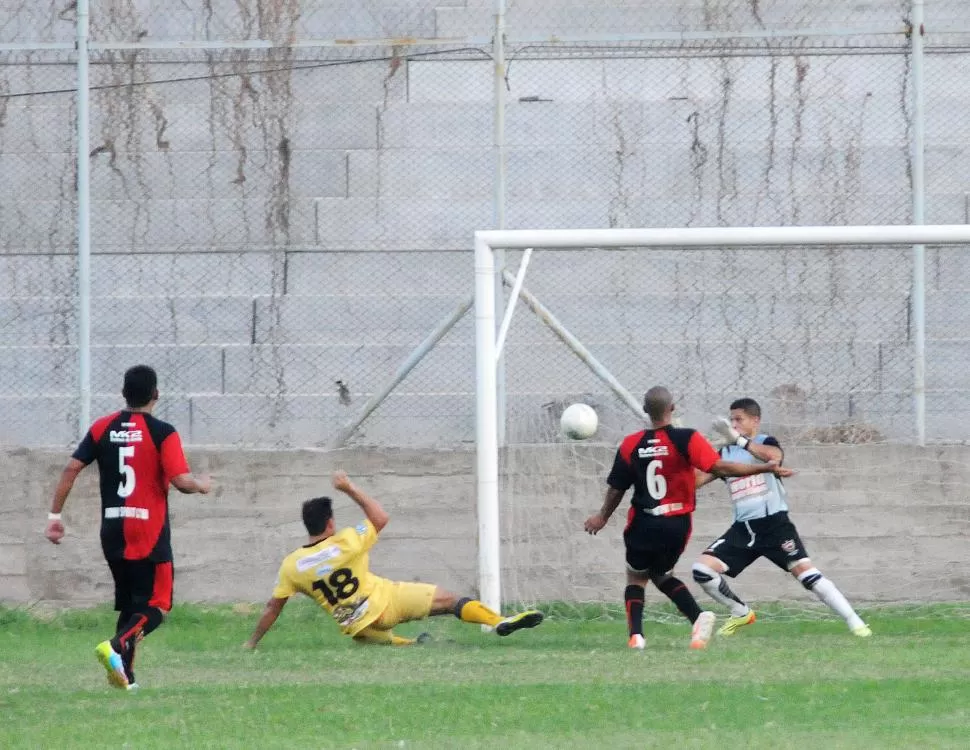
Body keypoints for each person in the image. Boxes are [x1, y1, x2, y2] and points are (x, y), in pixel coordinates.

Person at [583, 386, 794, 650]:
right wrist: (762, 467)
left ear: (646, 411)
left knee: (637, 578)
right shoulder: (687, 438)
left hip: (644, 522)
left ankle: (637, 636)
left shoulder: (630, 444)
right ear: (673, 408)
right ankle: (697, 617)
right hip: (677, 524)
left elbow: (617, 488)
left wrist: (602, 517)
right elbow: (718, 467)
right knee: (661, 574)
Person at [45, 365, 211, 690]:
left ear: (123, 394)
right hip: (148, 533)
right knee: (158, 606)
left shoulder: (101, 427)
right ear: (156, 395)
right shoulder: (163, 432)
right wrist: (202, 485)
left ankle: (125, 677)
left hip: (112, 532)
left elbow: (71, 469)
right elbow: (181, 481)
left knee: (134, 606)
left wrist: (54, 517)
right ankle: (116, 645)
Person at [244, 471, 544, 648]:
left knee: (397, 646)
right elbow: (380, 517)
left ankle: (416, 644)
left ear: (306, 524)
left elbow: (274, 607)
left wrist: (252, 642)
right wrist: (349, 487)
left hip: (359, 628)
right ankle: (499, 621)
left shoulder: (292, 565)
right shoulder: (347, 541)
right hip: (387, 601)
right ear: (330, 523)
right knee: (452, 602)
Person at [690, 397, 871, 644]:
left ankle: (856, 623)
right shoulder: (723, 454)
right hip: (743, 529)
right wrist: (685, 457)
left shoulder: (765, 442)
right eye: (731, 420)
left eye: (738, 419)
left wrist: (740, 441)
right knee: (701, 570)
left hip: (775, 524)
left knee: (809, 577)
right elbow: (695, 482)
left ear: (755, 420)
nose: (733, 424)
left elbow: (773, 458)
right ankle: (741, 612)